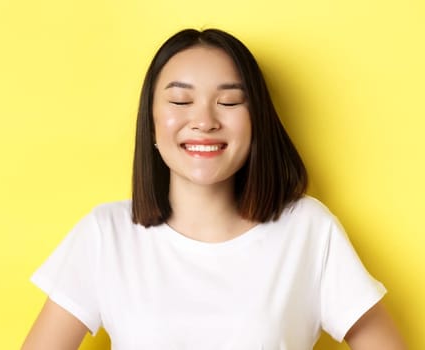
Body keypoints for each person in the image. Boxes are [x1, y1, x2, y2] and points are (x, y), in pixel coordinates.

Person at [21, 29, 405, 349]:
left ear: (257, 122)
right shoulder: (107, 234)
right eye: (180, 100)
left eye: (229, 101)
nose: (204, 121)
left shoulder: (307, 229)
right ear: (151, 121)